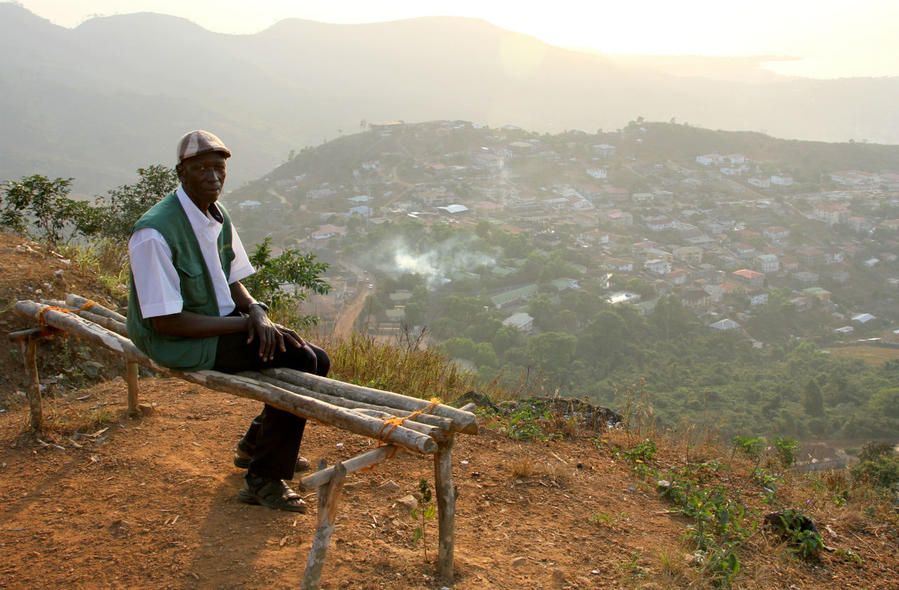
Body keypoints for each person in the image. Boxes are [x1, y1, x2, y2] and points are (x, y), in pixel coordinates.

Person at [127, 130, 329, 513]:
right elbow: (167, 323)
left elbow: (232, 279)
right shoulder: (154, 232)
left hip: (217, 321)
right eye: (201, 169)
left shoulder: (216, 215)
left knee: (317, 358)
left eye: (218, 169)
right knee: (301, 360)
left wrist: (255, 310)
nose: (212, 177)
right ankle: (263, 479)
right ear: (181, 173)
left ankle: (255, 445)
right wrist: (244, 326)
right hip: (178, 339)